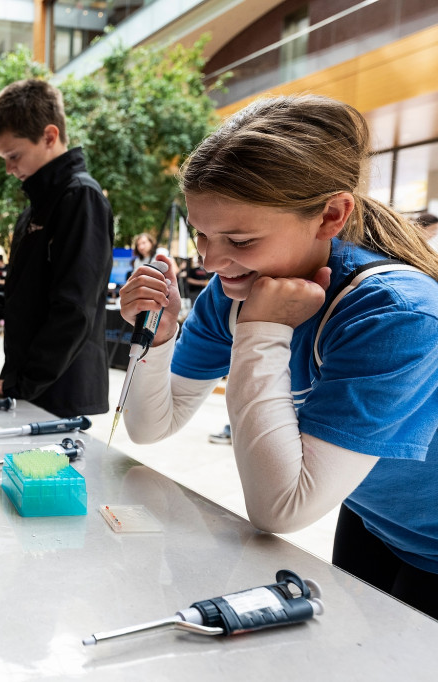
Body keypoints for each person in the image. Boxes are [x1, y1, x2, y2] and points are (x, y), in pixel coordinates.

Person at [119, 94, 438, 617]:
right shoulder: (235, 287)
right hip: (374, 514)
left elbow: (280, 508)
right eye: (201, 233)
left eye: (240, 239)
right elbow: (152, 426)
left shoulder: (396, 315)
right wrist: (158, 336)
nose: (211, 260)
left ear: (331, 215)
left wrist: (263, 331)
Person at [0, 78, 114, 417]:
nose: (9, 168)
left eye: (13, 155)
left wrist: (24, 382)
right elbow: (26, 300)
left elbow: (74, 307)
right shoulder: (34, 208)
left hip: (60, 389)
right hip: (33, 384)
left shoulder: (80, 198)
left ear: (49, 136)